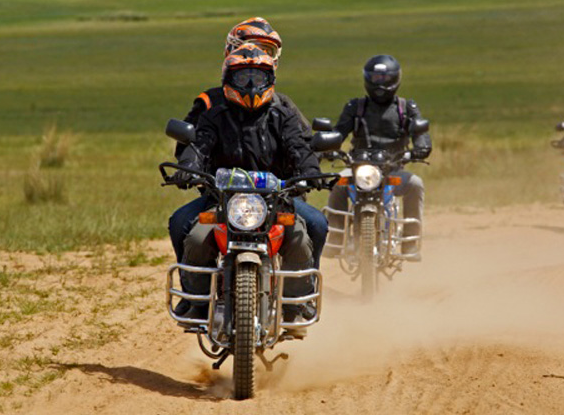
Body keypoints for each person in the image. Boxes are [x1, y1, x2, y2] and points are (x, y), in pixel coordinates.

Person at [171, 44, 323, 323]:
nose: (251, 85)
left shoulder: (282, 114)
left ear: (271, 78)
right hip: (222, 197)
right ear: (228, 78)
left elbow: (299, 147)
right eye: (243, 77)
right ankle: (195, 299)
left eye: (259, 77)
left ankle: (298, 301)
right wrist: (189, 168)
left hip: (277, 198)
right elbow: (200, 146)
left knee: (310, 231)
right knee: (186, 228)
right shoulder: (214, 116)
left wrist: (309, 171)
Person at [325, 54, 432, 257]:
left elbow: (420, 133)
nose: (380, 83)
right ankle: (336, 237)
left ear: (395, 79)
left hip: (393, 170)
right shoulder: (355, 107)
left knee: (415, 184)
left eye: (385, 78)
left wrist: (421, 146)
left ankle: (410, 242)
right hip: (358, 168)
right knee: (337, 183)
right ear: (367, 79)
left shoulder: (406, 108)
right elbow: (339, 133)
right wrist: (328, 145)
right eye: (375, 78)